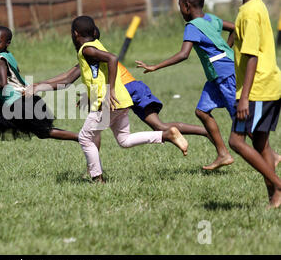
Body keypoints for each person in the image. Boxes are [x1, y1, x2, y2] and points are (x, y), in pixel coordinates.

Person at [29, 16, 188, 183]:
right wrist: (39, 85)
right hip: (121, 101)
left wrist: (110, 89)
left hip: (107, 102)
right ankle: (166, 135)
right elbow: (69, 78)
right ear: (95, 32)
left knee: (84, 138)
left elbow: (113, 58)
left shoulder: (86, 50)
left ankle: (98, 179)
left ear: (75, 34)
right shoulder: (94, 47)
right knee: (124, 140)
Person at [28, 25, 209, 150]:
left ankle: (95, 172)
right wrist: (39, 86)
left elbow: (69, 79)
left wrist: (38, 87)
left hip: (125, 90)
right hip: (135, 87)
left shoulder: (91, 53)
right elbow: (72, 77)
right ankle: (207, 132)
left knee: (93, 129)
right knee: (159, 127)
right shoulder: (94, 52)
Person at [136, 0, 237, 171]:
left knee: (239, 120)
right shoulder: (211, 19)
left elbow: (184, 55)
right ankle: (223, 154)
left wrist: (155, 66)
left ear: (187, 6)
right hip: (217, 76)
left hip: (225, 75)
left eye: (180, 6)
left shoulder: (192, 26)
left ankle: (270, 155)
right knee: (202, 111)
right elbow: (235, 29)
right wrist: (226, 50)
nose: (180, 10)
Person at [0, 26, 78, 176]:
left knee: (44, 132)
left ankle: (80, 137)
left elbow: (3, 83)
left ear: (7, 43)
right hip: (10, 102)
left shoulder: (1, 60)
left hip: (20, 104)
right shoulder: (7, 56)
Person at [227, 0, 281, 208]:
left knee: (236, 141)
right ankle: (275, 198)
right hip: (269, 85)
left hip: (257, 89)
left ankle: (279, 186)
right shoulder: (257, 6)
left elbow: (251, 56)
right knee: (260, 144)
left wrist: (245, 97)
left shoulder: (248, 13)